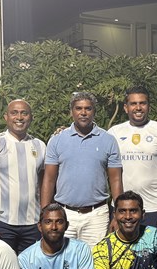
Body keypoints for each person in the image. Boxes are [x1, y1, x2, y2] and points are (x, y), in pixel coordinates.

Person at [41, 91, 123, 247]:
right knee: (64, 262)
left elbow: (116, 179)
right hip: (64, 214)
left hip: (97, 216)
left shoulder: (108, 140)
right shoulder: (57, 139)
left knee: (95, 265)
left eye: (88, 108)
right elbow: (49, 179)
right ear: (72, 111)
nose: (83, 113)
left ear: (94, 111)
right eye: (79, 108)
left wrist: (117, 215)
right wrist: (45, 213)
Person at [0, 99, 46, 254]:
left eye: (24, 113)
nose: (19, 117)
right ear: (6, 117)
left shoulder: (40, 145)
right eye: (14, 113)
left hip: (33, 223)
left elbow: (45, 183)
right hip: (1, 223)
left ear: (31, 117)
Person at [109, 86, 157, 229]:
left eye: (142, 103)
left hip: (154, 207)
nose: (138, 107)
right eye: (133, 104)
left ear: (148, 107)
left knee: (153, 251)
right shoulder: (114, 132)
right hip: (123, 209)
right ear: (126, 108)